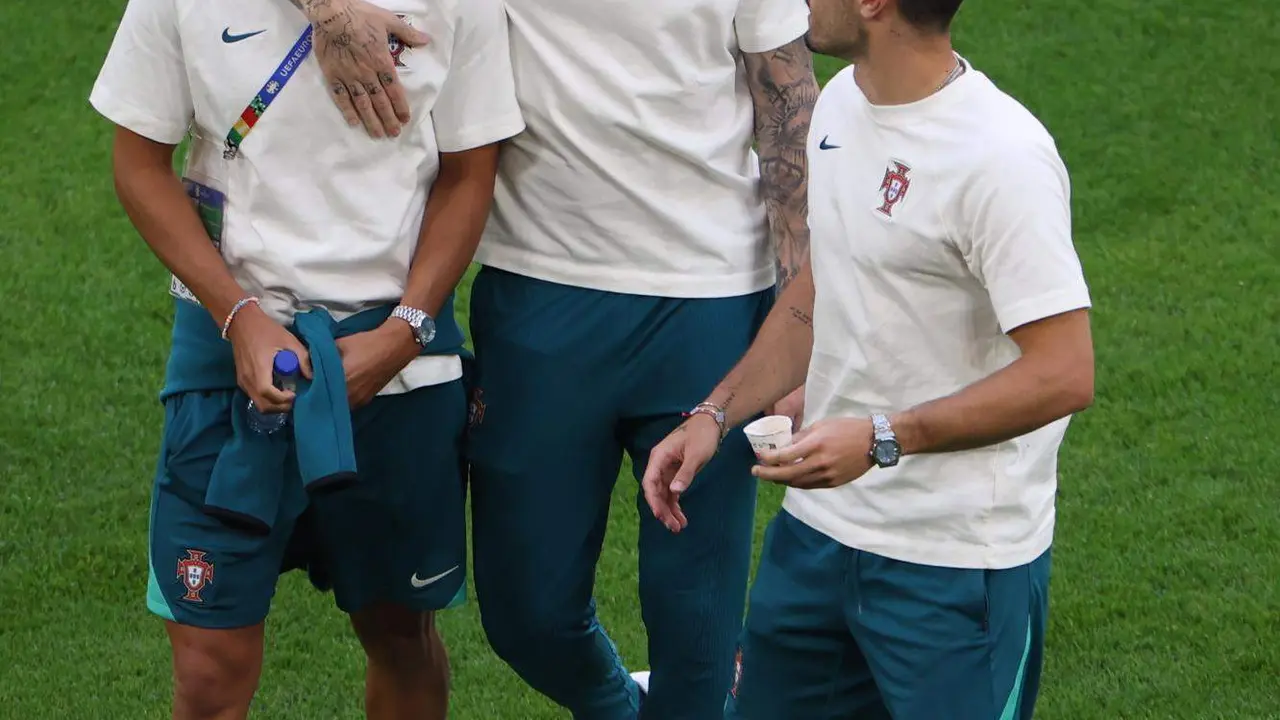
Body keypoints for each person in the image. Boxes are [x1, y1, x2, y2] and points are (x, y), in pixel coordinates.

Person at [298, 0, 819, 717]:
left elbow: (787, 105)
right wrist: (327, 10)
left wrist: (801, 328)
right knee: (527, 619)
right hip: (538, 297)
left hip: (712, 299)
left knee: (696, 633)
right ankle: (617, 707)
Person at [642, 0, 1096, 717]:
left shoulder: (1002, 158)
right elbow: (817, 288)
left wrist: (884, 437)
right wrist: (715, 415)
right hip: (819, 537)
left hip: (956, 564)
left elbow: (1064, 372)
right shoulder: (841, 106)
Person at [89, 0, 523, 716]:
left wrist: (405, 331)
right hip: (228, 364)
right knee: (207, 665)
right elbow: (139, 163)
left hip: (398, 368)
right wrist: (239, 317)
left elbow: (469, 172)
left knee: (399, 633)